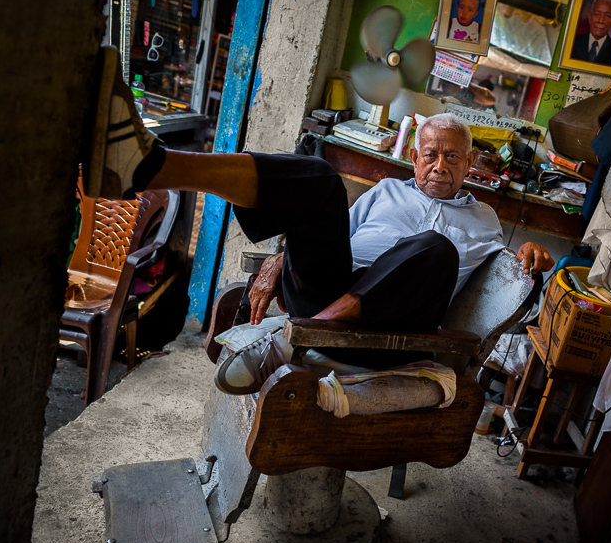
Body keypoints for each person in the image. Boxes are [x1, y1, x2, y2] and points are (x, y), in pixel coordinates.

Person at [88, 47, 554, 393]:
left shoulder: (484, 219)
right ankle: (149, 165)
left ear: (469, 163)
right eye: (430, 154)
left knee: (435, 247)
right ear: (414, 159)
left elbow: (505, 267)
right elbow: (329, 237)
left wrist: (528, 254)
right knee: (320, 178)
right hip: (323, 293)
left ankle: (290, 340)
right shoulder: (387, 190)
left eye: (452, 157)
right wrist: (278, 261)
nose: (440, 165)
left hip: (393, 330)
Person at [570, 0, 611, 65]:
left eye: (607, 16)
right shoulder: (573, 42)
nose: (601, 20)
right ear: (590, 16)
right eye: (597, 14)